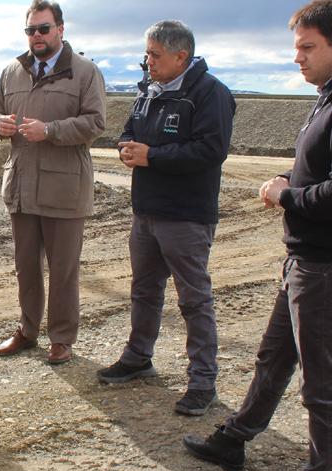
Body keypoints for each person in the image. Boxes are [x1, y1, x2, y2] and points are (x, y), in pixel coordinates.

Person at [183, 0, 332, 471]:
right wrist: (291, 180)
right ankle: (235, 439)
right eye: (297, 47)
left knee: (322, 385)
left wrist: (285, 195)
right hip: (311, 260)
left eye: (307, 47)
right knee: (275, 356)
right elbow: (324, 170)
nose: (297, 57)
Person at [96, 21, 235, 416]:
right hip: (147, 211)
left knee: (194, 299)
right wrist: (126, 147)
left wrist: (152, 156)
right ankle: (138, 357)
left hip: (186, 216)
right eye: (147, 54)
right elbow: (129, 131)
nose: (148, 62)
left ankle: (203, 381)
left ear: (181, 56)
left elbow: (211, 150)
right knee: (144, 290)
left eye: (155, 55)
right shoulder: (149, 91)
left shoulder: (210, 94)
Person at [0, 0, 106, 365]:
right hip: (21, 186)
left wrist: (51, 130)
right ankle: (27, 330)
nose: (36, 35)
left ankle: (62, 338)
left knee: (63, 270)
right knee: (25, 266)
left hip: (64, 189)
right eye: (30, 30)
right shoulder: (11, 71)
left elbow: (95, 123)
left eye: (43, 28)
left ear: (60, 29)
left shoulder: (85, 72)